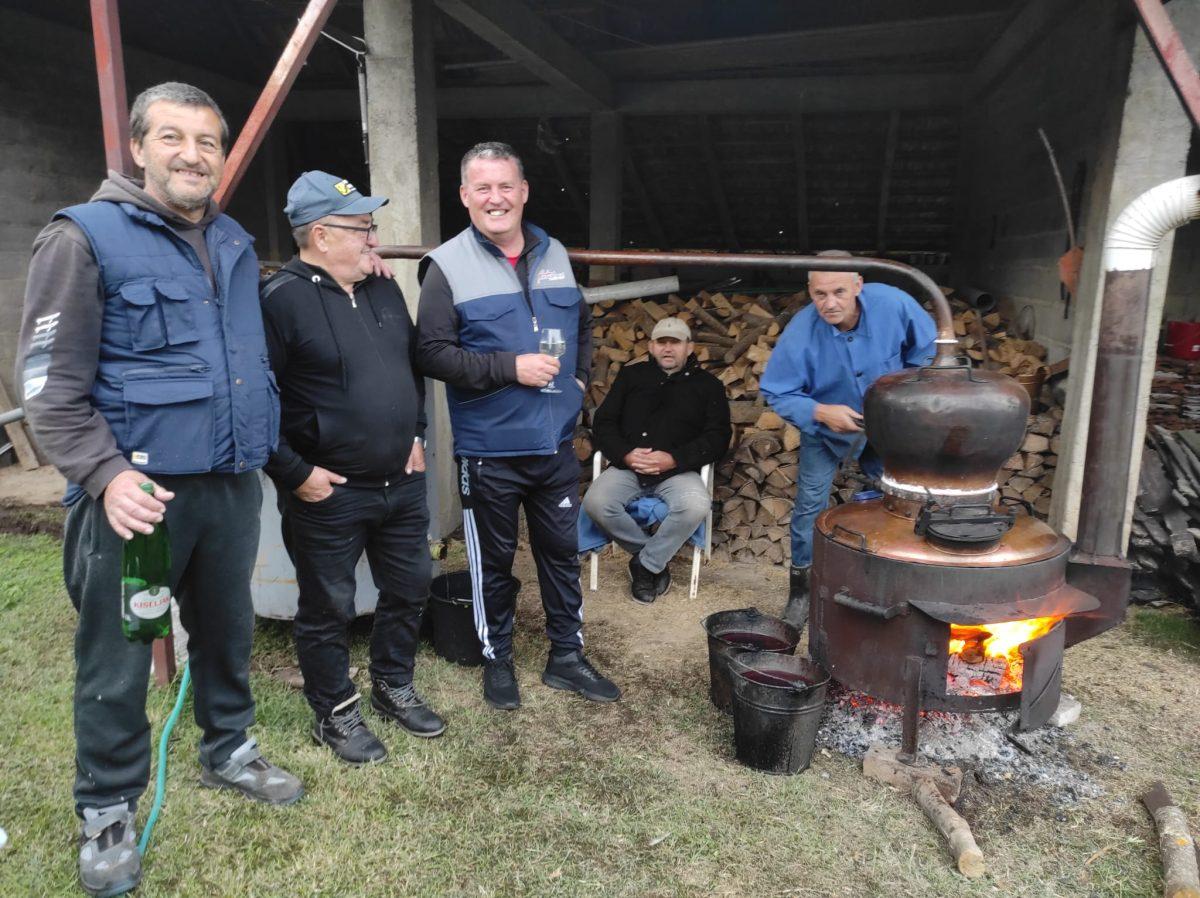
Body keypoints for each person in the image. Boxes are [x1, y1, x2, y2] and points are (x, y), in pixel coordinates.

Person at [15, 82, 302, 898]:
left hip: (229, 489)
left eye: (207, 141)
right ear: (138, 149)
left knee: (228, 627)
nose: (192, 154)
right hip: (140, 501)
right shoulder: (84, 238)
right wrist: (105, 477)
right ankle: (106, 805)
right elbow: (46, 382)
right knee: (121, 649)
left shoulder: (238, 243)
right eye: (173, 137)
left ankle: (230, 748)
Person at [416, 141, 619, 711]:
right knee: (494, 562)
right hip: (489, 451)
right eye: (482, 188)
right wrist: (510, 368)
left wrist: (579, 381)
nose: (495, 198)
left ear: (523, 191)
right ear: (465, 196)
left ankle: (566, 657)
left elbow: (581, 320)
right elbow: (431, 353)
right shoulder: (446, 266)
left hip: (553, 444)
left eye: (506, 186)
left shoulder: (553, 252)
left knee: (561, 555)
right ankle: (496, 659)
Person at [260, 171, 445, 765]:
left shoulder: (382, 288)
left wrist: (415, 434)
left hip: (402, 481)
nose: (374, 240)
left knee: (410, 587)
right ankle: (335, 712)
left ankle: (393, 685)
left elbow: (409, 369)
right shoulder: (279, 301)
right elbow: (254, 402)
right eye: (362, 229)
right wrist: (294, 473)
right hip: (328, 493)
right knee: (327, 606)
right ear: (320, 234)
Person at [761, 251, 937, 629]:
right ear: (809, 291)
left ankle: (893, 584)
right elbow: (777, 391)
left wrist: (897, 399)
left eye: (839, 291)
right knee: (810, 506)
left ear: (858, 285)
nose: (829, 303)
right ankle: (801, 592)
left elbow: (926, 355)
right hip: (826, 431)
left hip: (889, 428)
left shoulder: (895, 304)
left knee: (899, 502)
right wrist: (821, 413)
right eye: (820, 294)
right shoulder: (800, 332)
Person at [583, 317, 730, 604]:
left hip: (677, 471)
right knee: (595, 503)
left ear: (689, 348)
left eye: (675, 342)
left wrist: (674, 459)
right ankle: (650, 558)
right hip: (629, 466)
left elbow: (718, 437)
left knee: (696, 505)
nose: (667, 348)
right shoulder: (631, 377)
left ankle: (645, 566)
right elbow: (604, 423)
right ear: (651, 346)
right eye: (661, 342)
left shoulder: (708, 386)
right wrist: (625, 453)